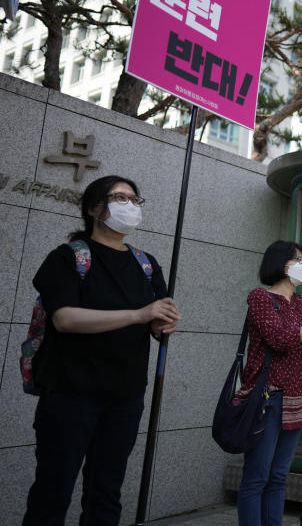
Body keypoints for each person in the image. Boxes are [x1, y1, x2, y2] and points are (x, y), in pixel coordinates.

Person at [23, 176, 181, 525]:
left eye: (134, 199)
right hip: (69, 394)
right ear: (94, 208)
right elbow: (64, 318)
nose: (129, 205)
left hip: (125, 397)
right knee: (53, 492)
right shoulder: (68, 258)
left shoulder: (146, 263)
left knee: (106, 494)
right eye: (119, 197)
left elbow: (156, 321)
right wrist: (139, 314)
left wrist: (162, 323)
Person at [236, 241, 302, 526]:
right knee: (257, 477)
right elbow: (280, 339)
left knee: (278, 476)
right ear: (279, 263)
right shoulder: (260, 297)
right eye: (298, 259)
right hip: (266, 398)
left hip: (295, 399)